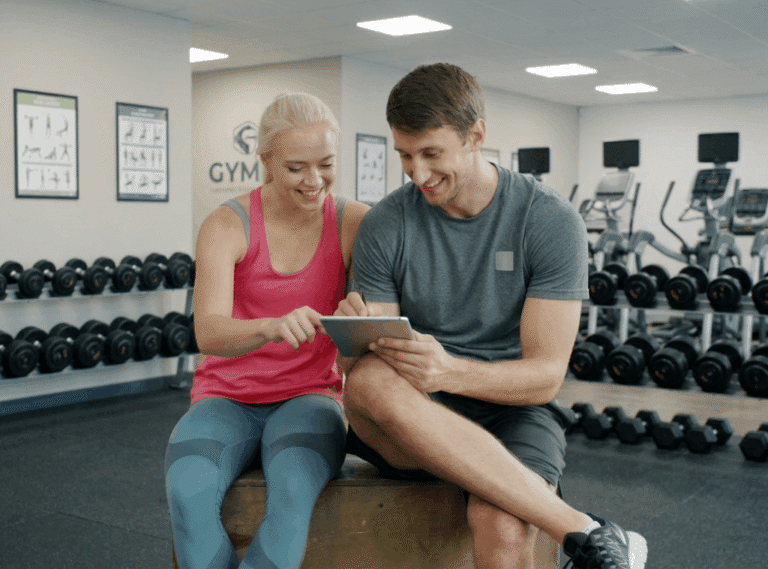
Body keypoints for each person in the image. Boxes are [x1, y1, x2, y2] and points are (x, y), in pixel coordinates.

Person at [335, 63, 648, 569]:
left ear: (476, 135)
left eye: (432, 154)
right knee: (368, 379)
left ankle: (520, 498)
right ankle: (585, 531)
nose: (417, 173)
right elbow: (374, 368)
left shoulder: (547, 220)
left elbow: (545, 379)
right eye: (405, 156)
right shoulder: (386, 223)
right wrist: (356, 336)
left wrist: (450, 369)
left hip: (511, 408)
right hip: (416, 410)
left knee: (502, 525)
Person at [165, 92, 369, 569]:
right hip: (225, 396)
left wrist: (359, 312)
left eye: (326, 164)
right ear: (266, 161)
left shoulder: (354, 222)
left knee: (292, 497)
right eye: (297, 167)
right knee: (187, 495)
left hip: (310, 397)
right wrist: (271, 327)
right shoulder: (226, 225)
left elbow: (371, 324)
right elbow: (209, 333)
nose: (314, 180)